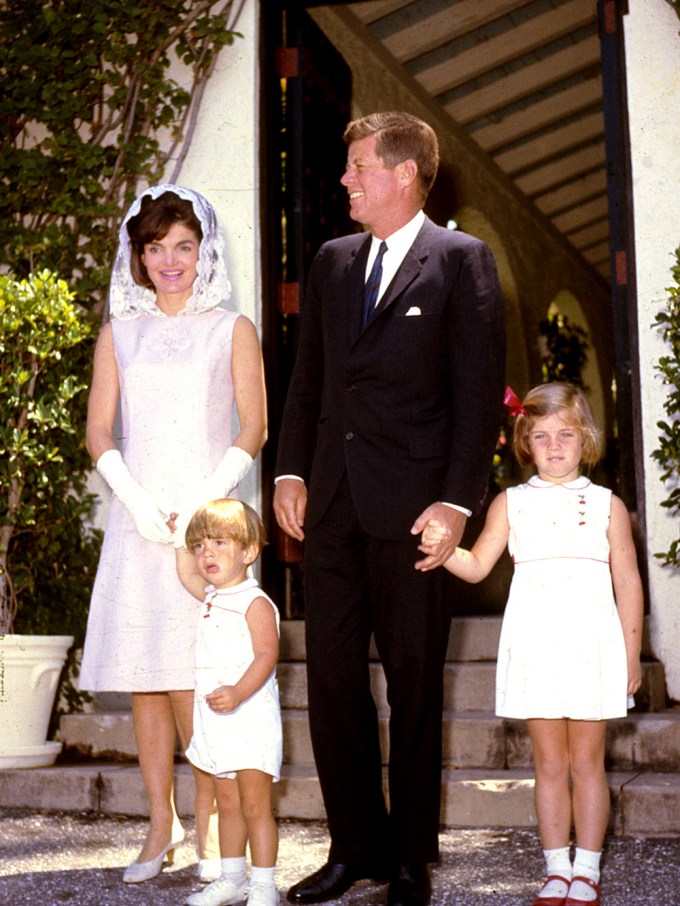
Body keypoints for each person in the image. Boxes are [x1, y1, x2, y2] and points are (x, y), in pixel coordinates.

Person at [273, 111, 506, 906]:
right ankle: (352, 852)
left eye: (359, 167)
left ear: (405, 174)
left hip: (414, 517)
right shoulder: (334, 261)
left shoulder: (461, 262)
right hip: (332, 509)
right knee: (333, 683)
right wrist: (290, 472)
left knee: (413, 685)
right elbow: (309, 380)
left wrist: (455, 505)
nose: (346, 179)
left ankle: (409, 860)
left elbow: (476, 403)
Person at [79, 185, 267, 885]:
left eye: (182, 246)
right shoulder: (119, 334)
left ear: (204, 250)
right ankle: (160, 821)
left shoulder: (232, 328)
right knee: (146, 682)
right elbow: (100, 431)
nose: (169, 260)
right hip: (138, 523)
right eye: (155, 248)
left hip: (205, 524)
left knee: (198, 677)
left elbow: (254, 426)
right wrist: (132, 501)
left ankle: (214, 826)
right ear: (139, 254)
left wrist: (202, 501)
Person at [421, 383, 644, 906]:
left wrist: (631, 653)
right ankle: (555, 868)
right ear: (525, 442)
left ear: (584, 437)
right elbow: (475, 566)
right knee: (548, 763)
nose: (555, 446)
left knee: (587, 761)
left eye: (566, 434)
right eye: (541, 436)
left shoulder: (606, 504)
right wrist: (442, 546)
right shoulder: (511, 503)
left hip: (591, 646)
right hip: (537, 647)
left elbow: (629, 582)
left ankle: (587, 868)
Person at [176, 498, 282, 906]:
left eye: (220, 542)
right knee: (227, 801)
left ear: (249, 551)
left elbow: (266, 655)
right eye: (200, 546)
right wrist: (178, 526)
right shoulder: (211, 597)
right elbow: (183, 563)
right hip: (216, 720)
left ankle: (263, 885)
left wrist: (238, 691)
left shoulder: (254, 602)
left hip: (249, 718)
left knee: (255, 805)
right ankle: (233, 877)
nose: (207, 554)